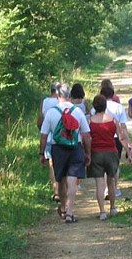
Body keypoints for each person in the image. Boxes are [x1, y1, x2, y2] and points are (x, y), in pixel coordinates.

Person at [39, 83, 92, 223]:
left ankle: (63, 207)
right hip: (75, 147)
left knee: (60, 179)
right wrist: (88, 153)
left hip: (58, 149)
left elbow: (43, 135)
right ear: (70, 95)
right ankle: (70, 212)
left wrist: (41, 153)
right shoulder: (77, 111)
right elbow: (86, 135)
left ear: (58, 95)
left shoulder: (51, 112)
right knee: (72, 179)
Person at [88, 94, 132, 220]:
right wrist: (128, 152)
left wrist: (87, 154)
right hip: (111, 153)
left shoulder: (90, 121)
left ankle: (102, 211)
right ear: (105, 105)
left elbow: (88, 138)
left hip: (96, 153)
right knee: (111, 182)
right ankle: (112, 208)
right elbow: (121, 136)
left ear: (94, 106)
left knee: (99, 184)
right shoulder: (112, 120)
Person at [37, 82, 61, 202]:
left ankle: (56, 192)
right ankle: (63, 189)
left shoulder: (44, 102)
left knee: (52, 164)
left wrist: (42, 129)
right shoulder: (61, 102)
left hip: (48, 137)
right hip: (62, 137)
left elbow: (39, 120)